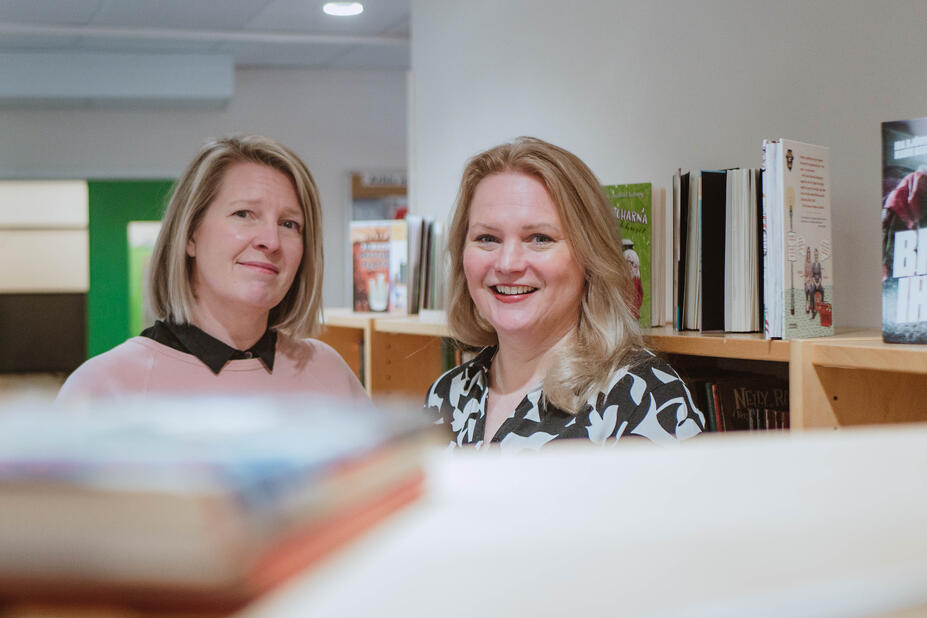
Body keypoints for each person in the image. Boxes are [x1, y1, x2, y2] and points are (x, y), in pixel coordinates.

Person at [424, 137, 704, 451]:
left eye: (539, 238)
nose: (507, 263)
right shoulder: (447, 394)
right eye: (487, 237)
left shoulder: (641, 398)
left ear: (589, 255)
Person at [57, 134, 367, 406]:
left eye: (289, 224)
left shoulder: (330, 374)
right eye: (244, 214)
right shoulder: (102, 388)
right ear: (190, 234)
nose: (271, 241)